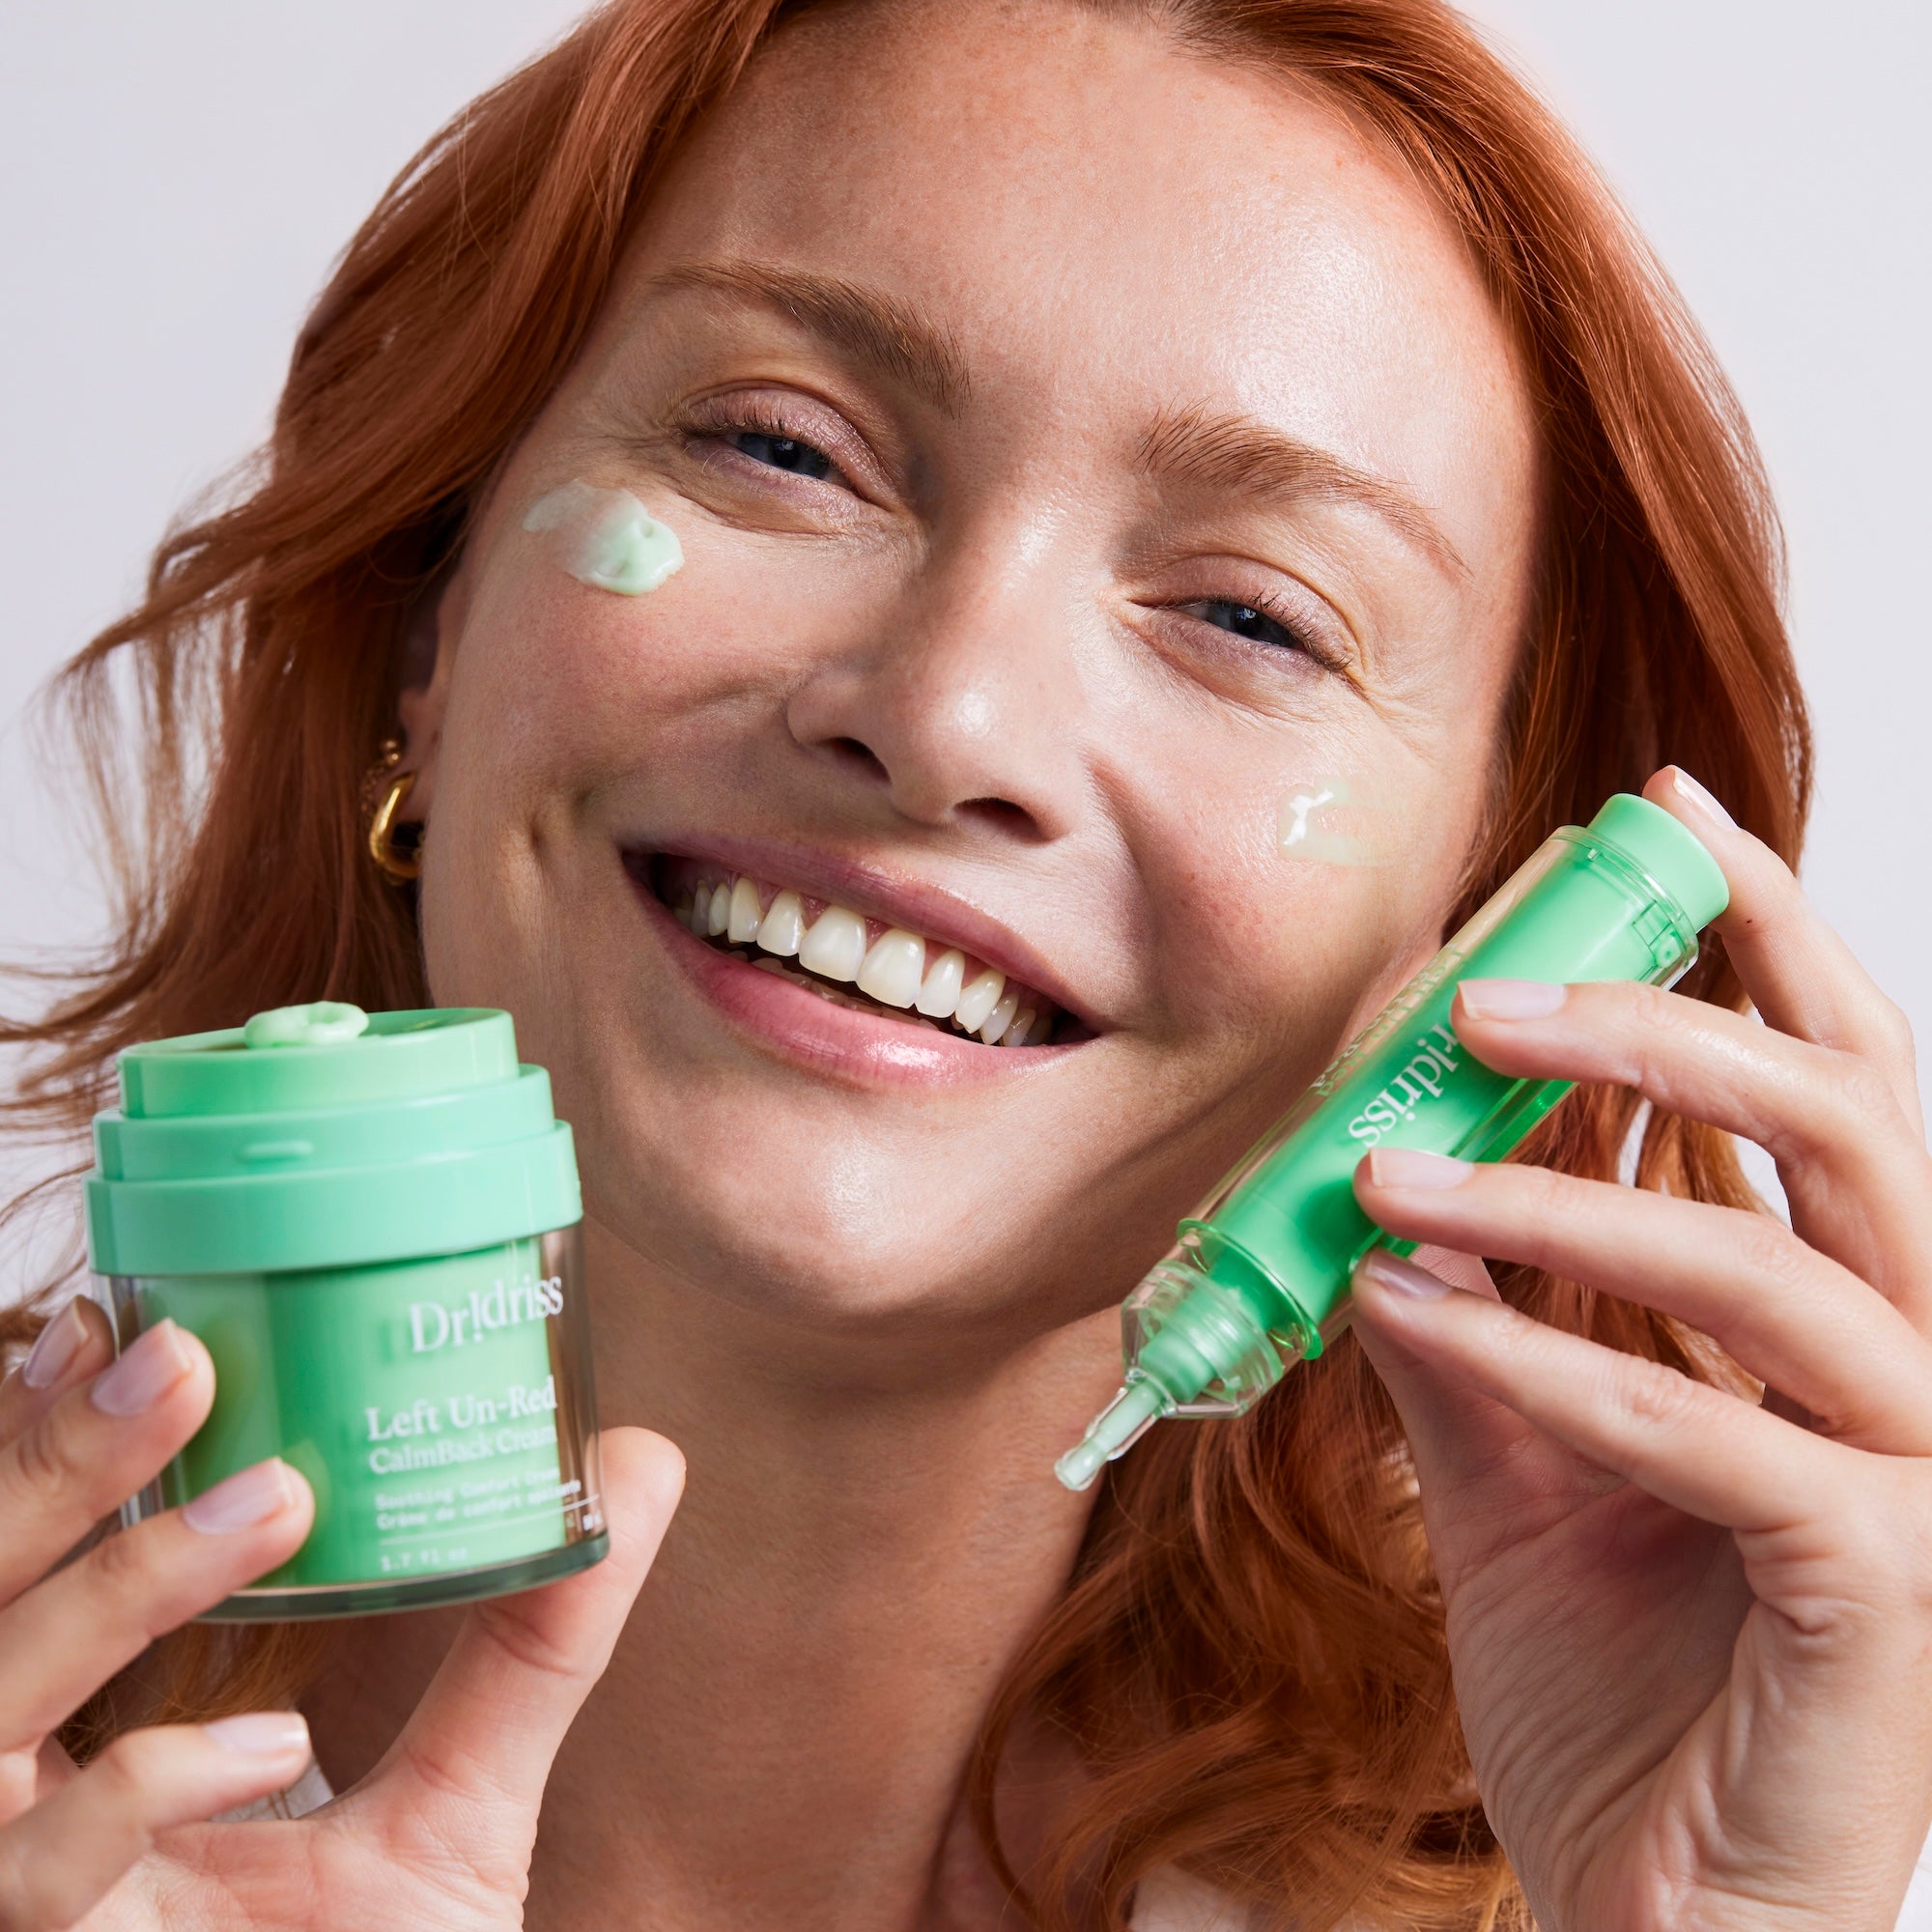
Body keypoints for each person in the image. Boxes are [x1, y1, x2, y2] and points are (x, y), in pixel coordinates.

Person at [3, 1, 1928, 1926]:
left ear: (1467, 940)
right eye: (784, 446)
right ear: (435, 599)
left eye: (1254, 617)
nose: (948, 716)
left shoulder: (1597, 1860)